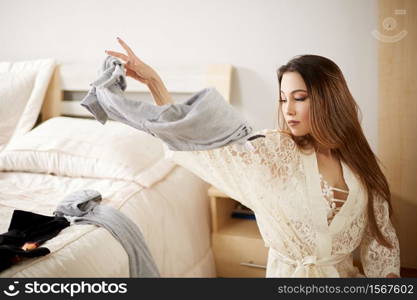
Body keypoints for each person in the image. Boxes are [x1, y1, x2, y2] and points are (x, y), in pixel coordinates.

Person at [105, 37, 400, 278]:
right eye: (283, 99)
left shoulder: (361, 166)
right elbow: (198, 143)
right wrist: (155, 83)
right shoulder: (275, 151)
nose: (288, 110)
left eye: (299, 98)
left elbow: (381, 244)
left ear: (329, 99)